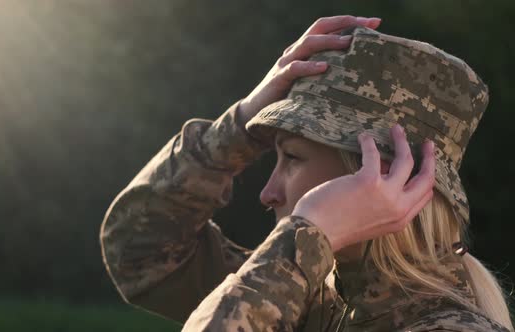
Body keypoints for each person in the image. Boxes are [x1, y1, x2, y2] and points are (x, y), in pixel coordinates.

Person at [100, 16, 513, 331]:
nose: (267, 193)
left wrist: (310, 229)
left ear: (380, 174)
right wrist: (240, 124)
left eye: (292, 158)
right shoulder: (310, 295)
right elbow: (139, 249)